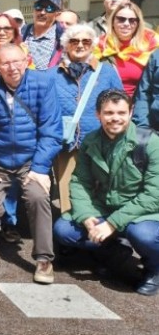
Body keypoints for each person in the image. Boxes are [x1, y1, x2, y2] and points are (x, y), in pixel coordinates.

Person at [0, 44, 62, 284]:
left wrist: (39, 168)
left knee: (38, 198)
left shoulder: (43, 84)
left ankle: (44, 259)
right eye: (5, 63)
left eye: (17, 61)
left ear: (26, 61)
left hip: (30, 161)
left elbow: (52, 132)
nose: (12, 67)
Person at [54, 89, 159, 296]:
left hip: (141, 213)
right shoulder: (91, 141)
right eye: (109, 113)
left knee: (144, 236)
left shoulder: (150, 143)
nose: (115, 118)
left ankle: (154, 269)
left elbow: (153, 195)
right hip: (104, 207)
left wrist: (112, 223)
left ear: (130, 113)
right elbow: (79, 182)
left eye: (121, 113)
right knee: (63, 230)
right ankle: (113, 251)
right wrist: (86, 216)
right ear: (98, 115)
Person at [50, 24, 123, 214]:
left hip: (100, 143)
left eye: (86, 41)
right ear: (66, 45)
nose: (80, 45)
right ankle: (68, 238)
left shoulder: (106, 71)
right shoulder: (52, 75)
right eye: (74, 41)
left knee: (100, 194)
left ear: (93, 45)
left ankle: (98, 236)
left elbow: (120, 104)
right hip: (67, 145)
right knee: (67, 198)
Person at [96, 1, 158, 97]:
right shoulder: (100, 45)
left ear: (138, 23)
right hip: (106, 105)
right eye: (121, 19)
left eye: (132, 20)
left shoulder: (151, 45)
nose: (126, 24)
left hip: (139, 106)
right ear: (112, 21)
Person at [21, 0, 65, 70]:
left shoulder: (63, 39)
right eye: (38, 7)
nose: (42, 12)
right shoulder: (21, 33)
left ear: (57, 14)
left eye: (49, 8)